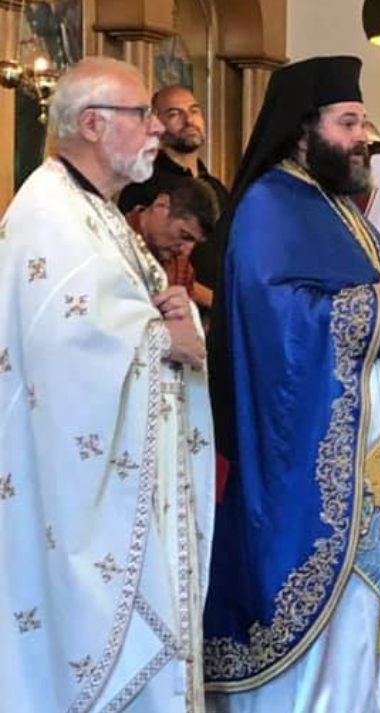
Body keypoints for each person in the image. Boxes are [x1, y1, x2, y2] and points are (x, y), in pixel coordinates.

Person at [202, 56, 380, 713]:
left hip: (374, 467)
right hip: (317, 466)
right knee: (337, 620)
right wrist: (371, 308)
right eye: (347, 123)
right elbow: (271, 319)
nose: (361, 138)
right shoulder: (269, 203)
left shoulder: (333, 206)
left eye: (363, 124)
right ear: (304, 131)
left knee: (366, 616)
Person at [0, 56, 214, 712]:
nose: (156, 128)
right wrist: (163, 339)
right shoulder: (49, 214)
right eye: (141, 114)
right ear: (92, 124)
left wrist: (171, 315)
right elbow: (61, 349)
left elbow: (122, 313)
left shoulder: (95, 209)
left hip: (130, 486)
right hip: (75, 495)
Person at [120, 84, 230, 311]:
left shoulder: (217, 188)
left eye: (194, 111)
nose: (189, 120)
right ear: (156, 123)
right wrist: (219, 305)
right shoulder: (142, 183)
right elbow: (143, 266)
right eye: (174, 113)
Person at [121, 172, 219, 307]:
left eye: (195, 243)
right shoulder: (110, 241)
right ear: (162, 204)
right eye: (184, 235)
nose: (186, 251)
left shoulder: (183, 268)